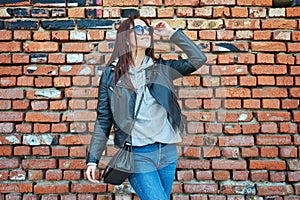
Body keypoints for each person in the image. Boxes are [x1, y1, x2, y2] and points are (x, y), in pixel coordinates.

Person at [86, 15, 207, 200]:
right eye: (138, 29)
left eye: (147, 29)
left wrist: (172, 33)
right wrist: (92, 160)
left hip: (167, 151)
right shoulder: (111, 76)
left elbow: (198, 59)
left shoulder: (162, 68)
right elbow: (103, 119)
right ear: (126, 38)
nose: (145, 33)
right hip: (138, 154)